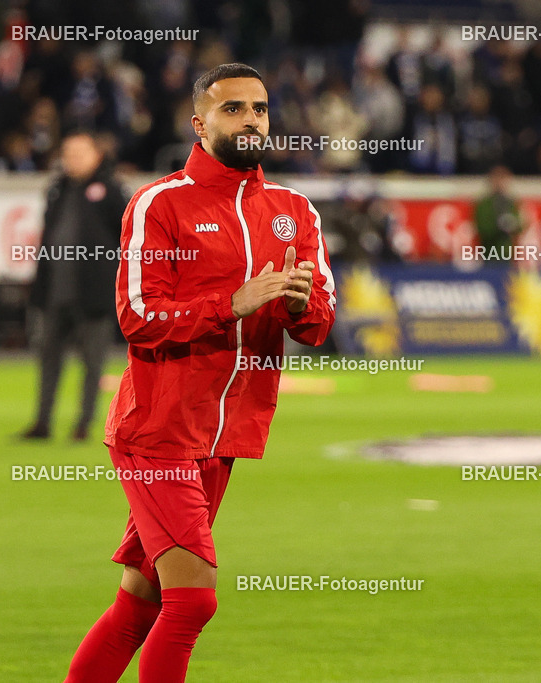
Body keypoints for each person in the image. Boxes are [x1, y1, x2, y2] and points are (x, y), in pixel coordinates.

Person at [64, 63, 336, 682]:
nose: (250, 120)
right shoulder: (161, 203)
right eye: (233, 109)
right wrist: (230, 304)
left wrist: (299, 306)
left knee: (142, 602)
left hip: (223, 439)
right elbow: (136, 316)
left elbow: (320, 322)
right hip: (157, 431)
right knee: (193, 600)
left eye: (259, 109)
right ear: (200, 123)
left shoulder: (294, 209)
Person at [21, 130, 126, 441]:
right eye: (67, 154)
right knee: (48, 360)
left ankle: (84, 423)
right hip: (55, 291)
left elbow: (127, 240)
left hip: (93, 295)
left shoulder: (111, 191)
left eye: (79, 154)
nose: (72, 160)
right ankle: (42, 423)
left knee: (93, 363)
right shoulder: (57, 189)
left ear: (97, 155)